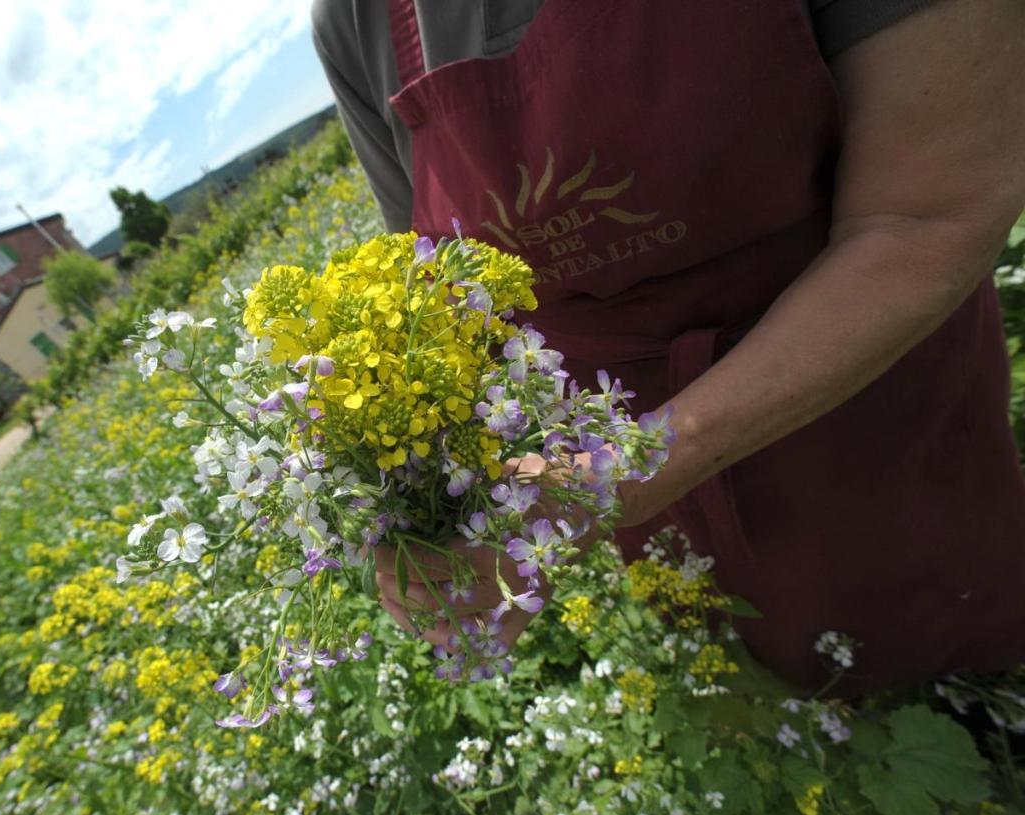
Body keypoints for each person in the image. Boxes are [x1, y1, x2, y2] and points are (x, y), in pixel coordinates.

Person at [312, 0, 1025, 692]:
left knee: (951, 672)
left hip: (866, 417)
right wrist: (441, 504)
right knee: (747, 709)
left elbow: (927, 217)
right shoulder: (354, 20)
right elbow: (456, 317)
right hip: (634, 504)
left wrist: (609, 473)